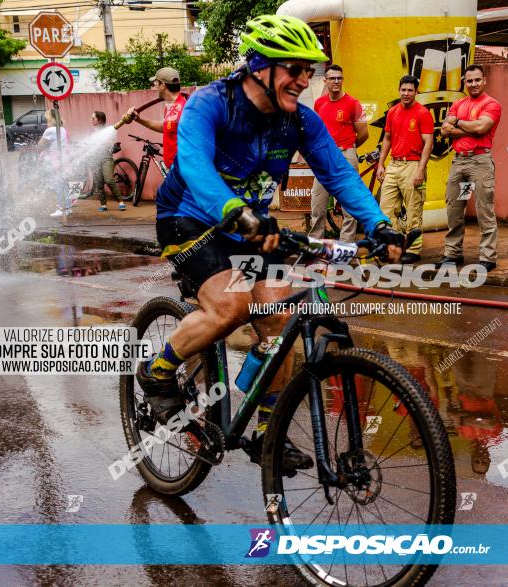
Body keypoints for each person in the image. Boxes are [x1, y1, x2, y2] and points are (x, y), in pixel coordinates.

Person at [139, 15, 404, 473]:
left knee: (281, 318)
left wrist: (379, 225)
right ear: (260, 65)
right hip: (190, 218)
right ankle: (157, 374)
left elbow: (338, 174)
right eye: (295, 69)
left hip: (254, 226)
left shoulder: (299, 121)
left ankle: (268, 433)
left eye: (309, 71)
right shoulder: (210, 104)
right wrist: (234, 212)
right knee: (230, 307)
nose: (305, 80)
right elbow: (196, 166)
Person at [439, 64, 501, 272]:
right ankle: (453, 253)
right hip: (459, 163)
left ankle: (487, 257)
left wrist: (457, 122)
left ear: (484, 80)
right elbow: (445, 131)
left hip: (480, 162)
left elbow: (481, 128)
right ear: (464, 83)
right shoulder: (458, 103)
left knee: (484, 209)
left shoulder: (492, 104)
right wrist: (469, 128)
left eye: (477, 80)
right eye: (469, 81)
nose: (473, 84)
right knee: (455, 208)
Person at [376, 75, 434, 263]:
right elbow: (386, 139)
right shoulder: (392, 112)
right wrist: (380, 164)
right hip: (394, 164)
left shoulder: (423, 113)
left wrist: (420, 170)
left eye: (410, 90)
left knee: (413, 209)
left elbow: (428, 143)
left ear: (416, 92)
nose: (406, 93)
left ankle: (414, 249)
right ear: (399, 90)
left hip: (413, 164)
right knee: (386, 208)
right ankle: (393, 246)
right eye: (403, 89)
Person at [309, 64, 369, 242]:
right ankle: (315, 245)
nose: (336, 81)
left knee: (349, 206)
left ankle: (346, 247)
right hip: (324, 158)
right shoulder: (319, 103)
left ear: (343, 80)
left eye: (339, 78)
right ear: (325, 80)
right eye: (332, 78)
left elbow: (364, 133)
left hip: (346, 156)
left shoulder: (353, 103)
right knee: (317, 204)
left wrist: (348, 148)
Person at [123, 67, 187, 170]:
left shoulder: (186, 108)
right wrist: (139, 119)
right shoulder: (170, 106)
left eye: (156, 83)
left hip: (182, 171)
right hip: (172, 169)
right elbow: (164, 127)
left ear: (163, 85)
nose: (154, 86)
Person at [89, 111, 125, 212]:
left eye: (93, 118)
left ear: (100, 120)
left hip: (106, 157)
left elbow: (108, 144)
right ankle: (103, 204)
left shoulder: (109, 131)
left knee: (109, 179)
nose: (91, 120)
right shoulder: (93, 133)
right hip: (95, 158)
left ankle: (121, 201)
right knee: (99, 182)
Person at [39, 108, 70, 218]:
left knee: (58, 184)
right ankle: (67, 208)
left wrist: (39, 144)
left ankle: (60, 208)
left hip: (56, 160)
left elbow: (41, 145)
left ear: (51, 119)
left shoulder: (50, 130)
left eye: (47, 120)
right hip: (65, 159)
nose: (46, 122)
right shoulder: (63, 129)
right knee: (64, 184)